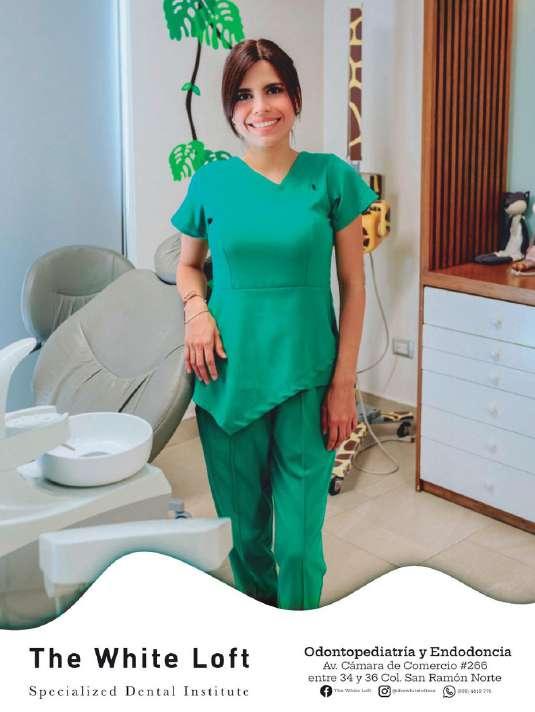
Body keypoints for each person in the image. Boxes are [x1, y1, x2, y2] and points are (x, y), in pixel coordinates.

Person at [171, 38, 377, 610]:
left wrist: (344, 383)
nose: (260, 107)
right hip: (228, 377)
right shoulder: (211, 182)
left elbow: (354, 285)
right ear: (230, 109)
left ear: (295, 98)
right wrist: (197, 312)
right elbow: (187, 266)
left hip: (310, 379)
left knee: (299, 546)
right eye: (243, 95)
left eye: (273, 90)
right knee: (246, 540)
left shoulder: (329, 177)